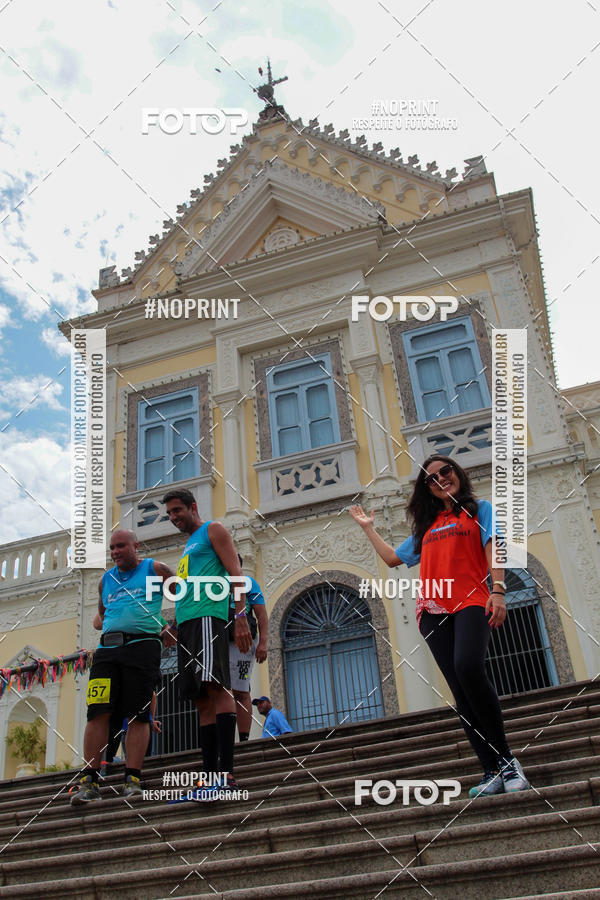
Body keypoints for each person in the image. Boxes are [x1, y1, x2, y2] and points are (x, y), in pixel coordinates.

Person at [350, 455, 530, 798]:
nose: (440, 480)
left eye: (445, 472)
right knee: (460, 691)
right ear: (426, 489)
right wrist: (369, 529)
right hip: (432, 610)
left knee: (469, 667)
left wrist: (499, 590)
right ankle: (491, 769)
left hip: (472, 600)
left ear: (457, 473)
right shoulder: (427, 527)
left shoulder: (480, 510)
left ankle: (507, 760)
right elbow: (392, 559)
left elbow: (495, 547)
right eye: (431, 479)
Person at [70, 530, 174, 805]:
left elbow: (184, 593)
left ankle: (133, 778)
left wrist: (172, 628)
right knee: (97, 713)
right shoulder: (106, 579)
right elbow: (102, 614)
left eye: (120, 546)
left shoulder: (154, 569)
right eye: (112, 548)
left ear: (135, 546)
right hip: (107, 651)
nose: (115, 552)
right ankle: (89, 782)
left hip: (142, 648)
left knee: (139, 715)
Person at [163, 488, 252, 799]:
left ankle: (226, 775)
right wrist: (174, 625)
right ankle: (209, 779)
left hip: (208, 618)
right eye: (170, 514)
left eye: (177, 511)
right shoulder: (189, 545)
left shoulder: (213, 530)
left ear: (192, 507)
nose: (173, 517)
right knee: (201, 699)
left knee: (217, 688)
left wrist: (240, 615)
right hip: (187, 624)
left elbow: (236, 573)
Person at [228, 557, 268, 741]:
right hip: (218, 643)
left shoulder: (249, 583)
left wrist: (263, 643)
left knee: (241, 690)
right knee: (217, 691)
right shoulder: (212, 582)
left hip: (242, 645)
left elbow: (261, 614)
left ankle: (244, 739)